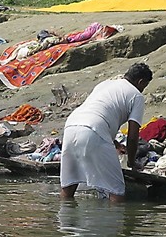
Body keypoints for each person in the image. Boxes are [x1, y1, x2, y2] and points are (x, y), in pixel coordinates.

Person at [59, 63, 153, 202]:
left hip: (71, 126)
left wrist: (114, 144)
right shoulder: (136, 96)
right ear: (141, 82)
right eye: (144, 86)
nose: (143, 89)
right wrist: (132, 163)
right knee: (116, 190)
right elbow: (133, 137)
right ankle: (114, 221)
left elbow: (98, 112)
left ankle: (65, 222)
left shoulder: (105, 84)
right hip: (93, 129)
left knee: (68, 187)